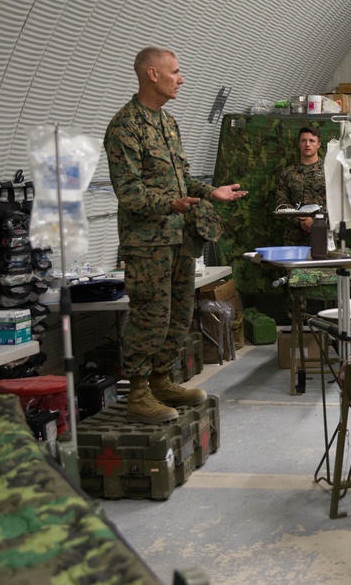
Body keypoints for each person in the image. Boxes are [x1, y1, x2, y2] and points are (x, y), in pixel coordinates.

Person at [104, 47, 247, 423]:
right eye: (176, 72)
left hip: (179, 239)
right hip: (147, 243)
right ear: (152, 74)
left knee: (179, 315)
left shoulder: (167, 122)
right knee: (150, 315)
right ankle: (138, 392)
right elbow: (129, 193)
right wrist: (172, 204)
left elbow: (182, 176)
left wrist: (209, 193)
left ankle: (162, 380)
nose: (181, 79)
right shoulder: (125, 126)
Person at [275, 127, 326, 245]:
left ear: (318, 144)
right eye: (304, 141)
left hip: (323, 235)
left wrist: (316, 221)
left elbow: (338, 202)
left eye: (312, 141)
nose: (307, 144)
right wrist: (301, 220)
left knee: (323, 264)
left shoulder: (330, 171)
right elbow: (281, 202)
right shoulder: (288, 173)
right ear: (299, 144)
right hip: (294, 238)